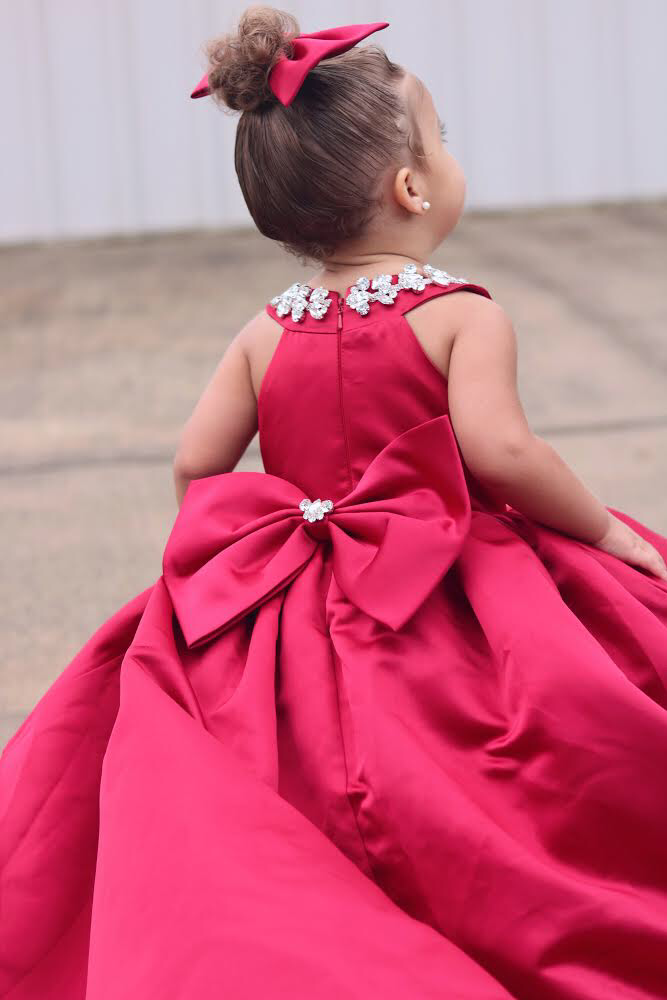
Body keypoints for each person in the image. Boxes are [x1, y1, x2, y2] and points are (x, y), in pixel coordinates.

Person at [2, 8, 667, 999]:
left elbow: (197, 462)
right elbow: (501, 451)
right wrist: (606, 530)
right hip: (445, 580)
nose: (447, 157)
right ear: (411, 186)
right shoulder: (458, 314)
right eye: (441, 141)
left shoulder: (265, 330)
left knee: (296, 767)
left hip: (298, 594)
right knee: (544, 734)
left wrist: (247, 552)